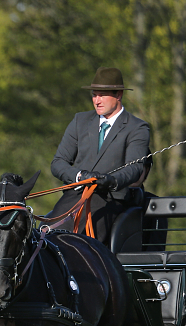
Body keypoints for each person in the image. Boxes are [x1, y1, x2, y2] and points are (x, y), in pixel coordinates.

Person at [47, 67, 150, 246]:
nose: (97, 101)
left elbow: (134, 168)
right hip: (76, 195)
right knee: (45, 236)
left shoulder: (137, 127)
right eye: (94, 95)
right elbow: (58, 163)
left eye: (102, 95)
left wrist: (110, 180)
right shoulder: (80, 121)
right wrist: (79, 176)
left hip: (110, 199)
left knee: (79, 242)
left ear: (118, 95)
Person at [125, 152, 168, 251]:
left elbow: (156, 251)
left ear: (147, 170)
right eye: (129, 168)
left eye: (138, 169)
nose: (134, 173)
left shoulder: (156, 205)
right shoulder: (105, 201)